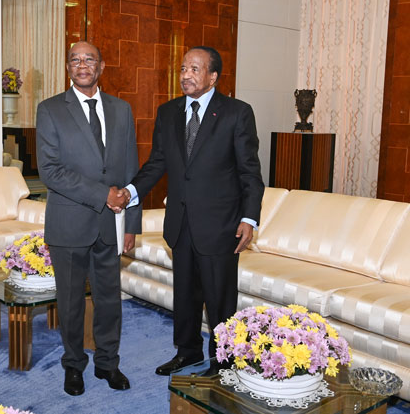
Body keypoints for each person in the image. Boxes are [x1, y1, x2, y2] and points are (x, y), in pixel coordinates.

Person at [123, 46, 264, 376]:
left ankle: (222, 361)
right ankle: (187, 352)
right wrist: (130, 191)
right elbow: (158, 162)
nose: (186, 74)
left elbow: (249, 172)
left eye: (194, 69)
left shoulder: (236, 113)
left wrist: (249, 218)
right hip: (181, 224)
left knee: (219, 299)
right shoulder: (168, 111)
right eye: (183, 68)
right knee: (185, 295)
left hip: (220, 225)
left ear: (213, 76)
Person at [36, 41, 141, 396]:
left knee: (110, 300)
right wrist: (103, 195)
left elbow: (130, 170)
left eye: (89, 59)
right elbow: (50, 171)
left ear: (102, 65)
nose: (82, 65)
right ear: (68, 67)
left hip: (111, 224)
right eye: (75, 60)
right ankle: (73, 365)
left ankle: (108, 364)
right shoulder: (50, 109)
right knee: (70, 302)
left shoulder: (122, 109)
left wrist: (133, 224)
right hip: (69, 224)